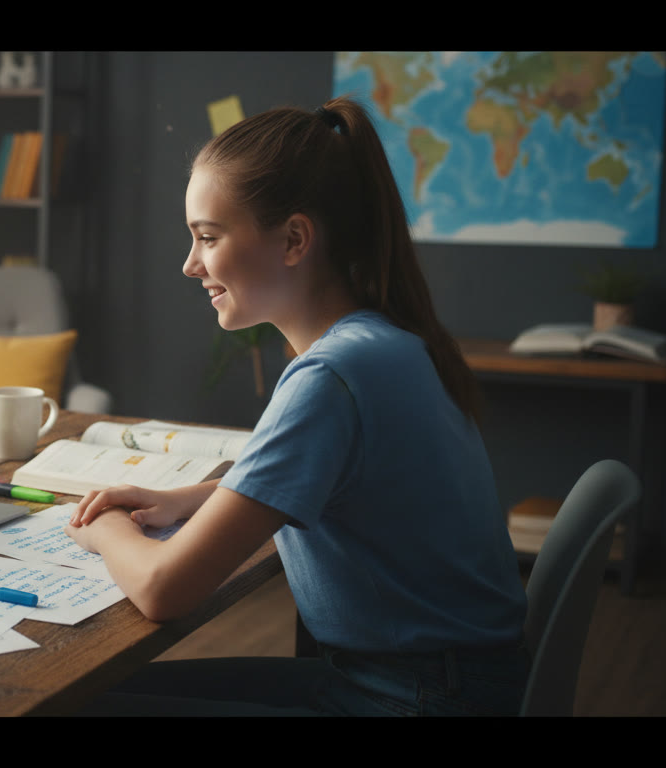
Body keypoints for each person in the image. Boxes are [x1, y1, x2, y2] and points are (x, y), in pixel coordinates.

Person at [65, 96, 530, 716]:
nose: (190, 263)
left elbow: (161, 588)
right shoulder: (385, 342)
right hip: (444, 680)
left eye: (207, 237)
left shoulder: (333, 375)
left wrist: (105, 530)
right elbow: (310, 483)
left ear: (293, 239)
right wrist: (179, 501)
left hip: (416, 696)